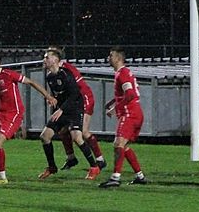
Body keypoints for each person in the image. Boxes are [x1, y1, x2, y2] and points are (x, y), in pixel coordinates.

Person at [0, 52, 54, 185]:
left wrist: (48, 96)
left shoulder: (9, 75)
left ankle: (2, 177)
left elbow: (31, 82)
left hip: (13, 113)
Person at [37, 48, 102, 180]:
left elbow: (75, 94)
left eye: (47, 57)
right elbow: (59, 95)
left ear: (55, 60)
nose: (44, 60)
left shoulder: (66, 74)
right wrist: (53, 100)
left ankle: (94, 167)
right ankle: (52, 167)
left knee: (77, 137)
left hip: (74, 109)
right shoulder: (49, 76)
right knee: (45, 136)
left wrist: (61, 109)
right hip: (62, 110)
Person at [100, 47, 148, 188]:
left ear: (118, 58)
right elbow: (126, 93)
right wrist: (112, 102)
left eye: (111, 55)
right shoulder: (123, 73)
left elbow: (130, 94)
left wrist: (115, 108)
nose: (108, 58)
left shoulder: (122, 73)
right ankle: (140, 176)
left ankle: (115, 178)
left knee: (118, 144)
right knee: (124, 146)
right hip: (135, 113)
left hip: (130, 114)